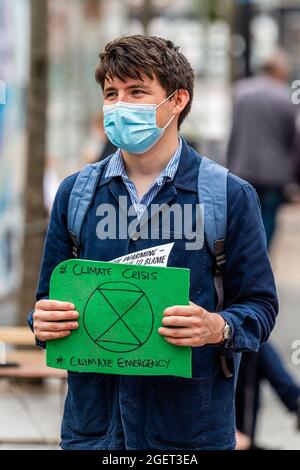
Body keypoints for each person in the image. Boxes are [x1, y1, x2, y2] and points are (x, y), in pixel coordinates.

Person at [28, 35, 278, 450]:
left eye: (137, 91)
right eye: (112, 93)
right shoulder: (76, 194)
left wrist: (218, 326)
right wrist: (42, 324)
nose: (119, 105)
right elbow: (43, 306)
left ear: (177, 100)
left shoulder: (228, 196)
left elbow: (260, 307)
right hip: (96, 431)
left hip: (188, 432)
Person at [227, 50, 300, 448]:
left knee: (242, 285)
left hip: (239, 174)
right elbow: (295, 143)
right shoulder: (284, 100)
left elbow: (234, 134)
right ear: (280, 71)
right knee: (255, 265)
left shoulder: (241, 93)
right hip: (271, 182)